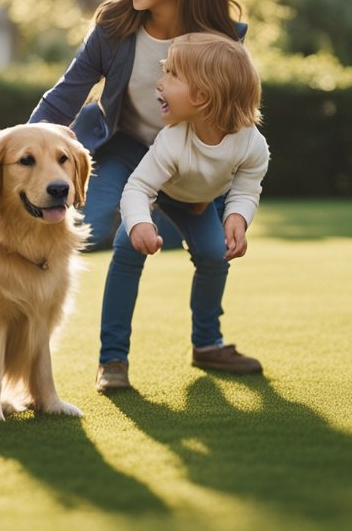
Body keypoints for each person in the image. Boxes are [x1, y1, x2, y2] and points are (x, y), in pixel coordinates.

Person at [28, 0, 247, 254]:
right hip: (122, 144)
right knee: (90, 229)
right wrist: (16, 151)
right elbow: (63, 98)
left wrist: (217, 188)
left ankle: (153, 220)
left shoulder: (222, 40)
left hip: (183, 156)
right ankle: (131, 220)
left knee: (207, 245)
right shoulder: (113, 28)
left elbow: (233, 122)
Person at [94, 33, 269, 393]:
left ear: (203, 96)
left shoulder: (251, 142)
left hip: (200, 202)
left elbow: (247, 186)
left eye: (172, 75)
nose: (159, 83)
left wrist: (237, 217)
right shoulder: (172, 139)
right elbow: (138, 188)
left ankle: (207, 344)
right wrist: (140, 223)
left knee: (214, 254)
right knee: (127, 248)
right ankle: (112, 358)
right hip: (160, 194)